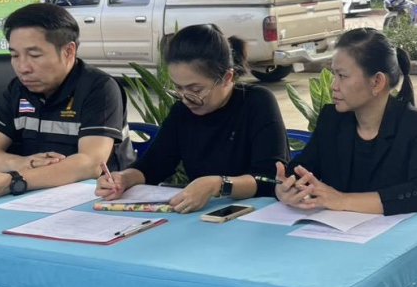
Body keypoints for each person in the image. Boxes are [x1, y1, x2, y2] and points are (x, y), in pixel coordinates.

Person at [0, 3, 134, 200]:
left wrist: (12, 182)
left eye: (34, 55)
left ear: (68, 51)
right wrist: (22, 164)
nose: (23, 67)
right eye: (14, 55)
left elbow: (90, 164)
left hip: (96, 197)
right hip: (36, 195)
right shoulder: (18, 89)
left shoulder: (99, 88)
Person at [95, 25, 288, 213]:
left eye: (196, 89)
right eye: (178, 88)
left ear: (227, 78)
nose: (186, 98)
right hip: (204, 216)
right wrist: (123, 179)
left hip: (258, 214)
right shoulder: (183, 111)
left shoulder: (257, 103)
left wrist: (218, 185)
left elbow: (270, 179)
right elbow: (154, 165)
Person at [276, 27, 417, 215]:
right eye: (334, 75)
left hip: (393, 231)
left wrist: (343, 200)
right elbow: (300, 171)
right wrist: (286, 189)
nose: (333, 85)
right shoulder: (332, 120)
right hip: (332, 229)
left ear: (377, 82)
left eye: (342, 76)